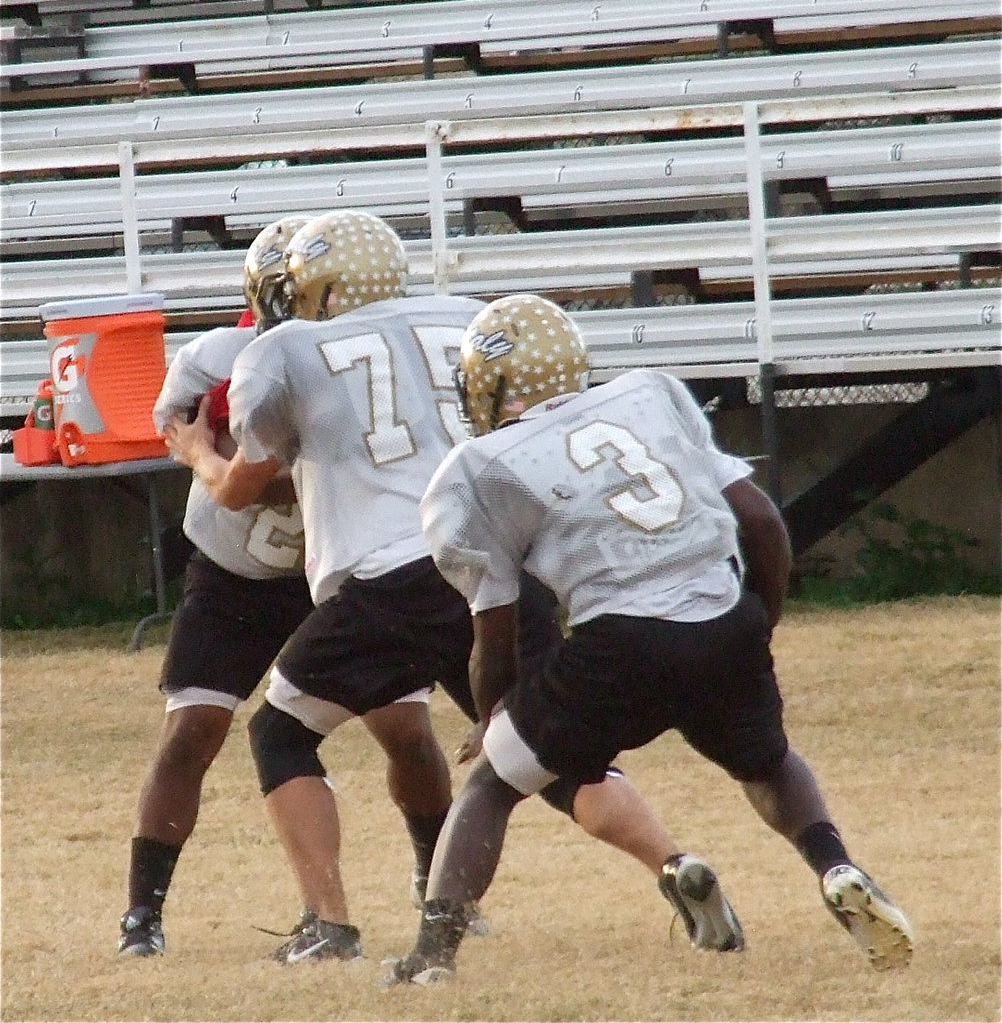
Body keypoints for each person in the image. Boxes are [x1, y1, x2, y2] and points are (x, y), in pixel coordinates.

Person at [164, 209, 743, 966]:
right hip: (488, 564)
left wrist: (196, 452)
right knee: (550, 751)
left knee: (280, 732)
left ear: (321, 287)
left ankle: (329, 924)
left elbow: (242, 488)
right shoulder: (463, 318)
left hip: (385, 576)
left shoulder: (285, 348)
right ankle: (672, 862)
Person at [384, 292, 915, 985]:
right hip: (722, 617)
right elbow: (761, 520)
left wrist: (491, 716)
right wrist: (759, 618)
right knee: (767, 762)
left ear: (493, 385)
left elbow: (495, 626)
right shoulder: (650, 393)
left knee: (492, 784)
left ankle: (431, 957)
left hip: (621, 642)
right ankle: (836, 866)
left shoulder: (478, 468)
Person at [119, 215, 314, 957]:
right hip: (234, 571)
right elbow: (188, 437)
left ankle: (439, 890)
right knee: (193, 729)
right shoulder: (216, 359)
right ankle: (142, 914)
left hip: (338, 569)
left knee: (403, 726)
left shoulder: (370, 361)